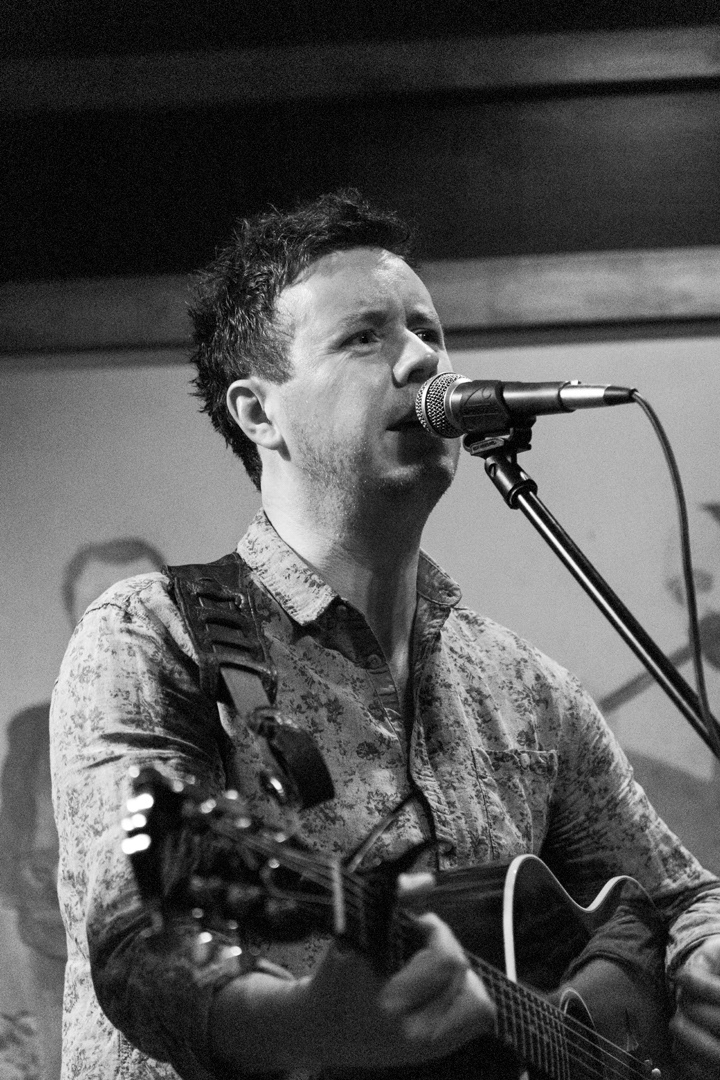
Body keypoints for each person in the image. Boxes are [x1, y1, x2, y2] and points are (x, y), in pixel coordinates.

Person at [50, 190, 720, 1080]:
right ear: (258, 414)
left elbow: (681, 897)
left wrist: (704, 957)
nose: (421, 358)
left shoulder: (523, 686)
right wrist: (298, 1025)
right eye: (365, 337)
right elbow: (138, 932)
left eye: (428, 332)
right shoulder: (152, 633)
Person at [1, 538, 165, 1080]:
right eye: (98, 607)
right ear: (74, 619)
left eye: (134, 602)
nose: (116, 624)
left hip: (179, 971)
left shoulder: (215, 718)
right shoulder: (33, 735)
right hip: (60, 959)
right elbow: (8, 859)